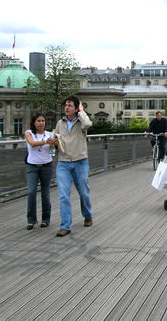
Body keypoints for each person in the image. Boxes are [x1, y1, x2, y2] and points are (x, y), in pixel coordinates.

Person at [54, 95, 93, 237]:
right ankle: (65, 225)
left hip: (80, 161)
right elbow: (56, 137)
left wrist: (82, 111)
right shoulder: (60, 123)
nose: (67, 107)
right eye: (66, 105)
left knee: (83, 192)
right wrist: (54, 142)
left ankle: (88, 215)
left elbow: (88, 124)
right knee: (64, 195)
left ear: (76, 108)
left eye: (70, 105)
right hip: (63, 162)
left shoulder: (81, 122)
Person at [24, 113, 56, 230]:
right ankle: (31, 220)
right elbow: (32, 144)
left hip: (46, 166)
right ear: (34, 122)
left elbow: (53, 151)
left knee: (45, 194)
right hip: (32, 166)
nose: (41, 123)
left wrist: (54, 144)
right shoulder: (29, 133)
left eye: (43, 121)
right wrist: (46, 142)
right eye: (39, 121)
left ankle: (45, 219)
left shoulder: (50, 134)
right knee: (31, 192)